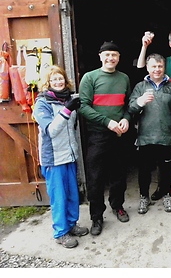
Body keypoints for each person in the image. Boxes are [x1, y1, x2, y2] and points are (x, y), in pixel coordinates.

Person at [79, 41, 132, 236]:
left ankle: (117, 206)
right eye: (107, 55)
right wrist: (107, 122)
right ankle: (96, 216)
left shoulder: (124, 78)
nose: (111, 58)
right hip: (98, 134)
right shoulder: (89, 77)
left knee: (119, 174)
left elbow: (127, 104)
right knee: (96, 177)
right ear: (100, 56)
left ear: (119, 58)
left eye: (114, 55)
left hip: (119, 133)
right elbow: (83, 106)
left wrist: (126, 119)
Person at [33, 65, 89, 248]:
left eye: (61, 79)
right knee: (59, 197)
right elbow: (51, 130)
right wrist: (67, 110)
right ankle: (60, 232)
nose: (58, 82)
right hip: (53, 158)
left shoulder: (68, 99)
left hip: (69, 155)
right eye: (54, 79)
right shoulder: (42, 103)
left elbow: (71, 128)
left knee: (73, 194)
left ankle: (71, 225)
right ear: (48, 83)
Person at [136, 29, 171, 200]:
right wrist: (144, 46)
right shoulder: (164, 62)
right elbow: (141, 69)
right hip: (170, 112)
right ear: (170, 44)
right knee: (165, 159)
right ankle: (164, 188)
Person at [128, 53, 171, 214]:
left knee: (165, 168)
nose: (157, 69)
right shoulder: (140, 87)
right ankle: (144, 197)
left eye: (160, 66)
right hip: (145, 136)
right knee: (144, 169)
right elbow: (131, 108)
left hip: (166, 135)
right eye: (153, 66)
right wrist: (140, 102)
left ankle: (166, 194)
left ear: (164, 67)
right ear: (147, 68)